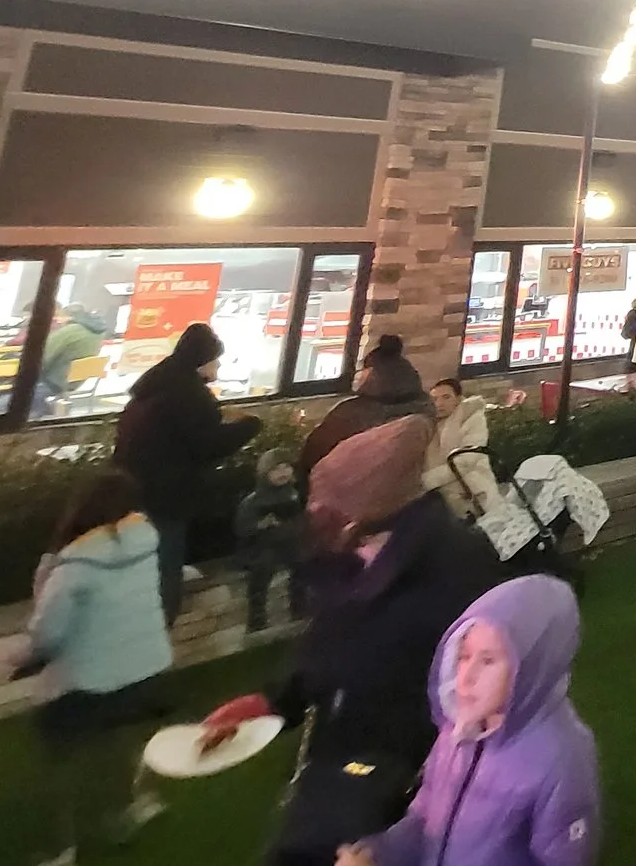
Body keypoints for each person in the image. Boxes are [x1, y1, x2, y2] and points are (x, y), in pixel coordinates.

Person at [201, 417, 498, 866]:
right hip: (340, 755)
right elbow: (332, 642)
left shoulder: (460, 566)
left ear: (383, 514)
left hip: (411, 768)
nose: (336, 536)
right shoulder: (354, 553)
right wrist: (277, 700)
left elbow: (484, 685)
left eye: (346, 523)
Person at [333, 574, 599, 866]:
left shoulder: (560, 758)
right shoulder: (458, 729)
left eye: (487, 660)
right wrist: (376, 854)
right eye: (463, 656)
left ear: (533, 664)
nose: (466, 676)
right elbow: (425, 817)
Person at [27, 468, 174, 866]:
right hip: (145, 669)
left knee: (60, 760)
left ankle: (61, 849)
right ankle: (129, 806)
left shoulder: (71, 568)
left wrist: (43, 581)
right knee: (119, 736)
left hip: (90, 680)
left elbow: (47, 635)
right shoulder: (145, 545)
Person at [112, 321, 263, 623]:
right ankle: (159, 625)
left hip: (131, 487)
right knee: (166, 563)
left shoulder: (159, 384)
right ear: (201, 361)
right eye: (215, 360)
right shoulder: (188, 394)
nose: (218, 366)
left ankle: (134, 620)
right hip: (166, 494)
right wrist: (250, 424)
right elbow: (209, 444)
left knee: (141, 560)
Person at [299, 336, 437, 484]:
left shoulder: (351, 413)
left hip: (346, 486)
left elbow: (313, 458)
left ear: (374, 373)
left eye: (363, 370)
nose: (359, 376)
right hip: (404, 486)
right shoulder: (425, 407)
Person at [238, 449, 308, 633]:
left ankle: (299, 607)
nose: (283, 472)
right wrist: (260, 524)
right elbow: (242, 528)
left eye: (286, 467)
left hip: (290, 541)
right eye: (276, 469)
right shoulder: (253, 501)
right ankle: (257, 618)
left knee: (302, 566)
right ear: (265, 472)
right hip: (264, 546)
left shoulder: (294, 494)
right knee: (261, 572)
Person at [423, 378, 501, 521]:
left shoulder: (472, 419)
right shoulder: (427, 425)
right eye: (434, 399)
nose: (439, 404)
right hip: (439, 497)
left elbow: (466, 460)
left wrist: (425, 481)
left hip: (474, 493)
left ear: (458, 399)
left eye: (446, 397)